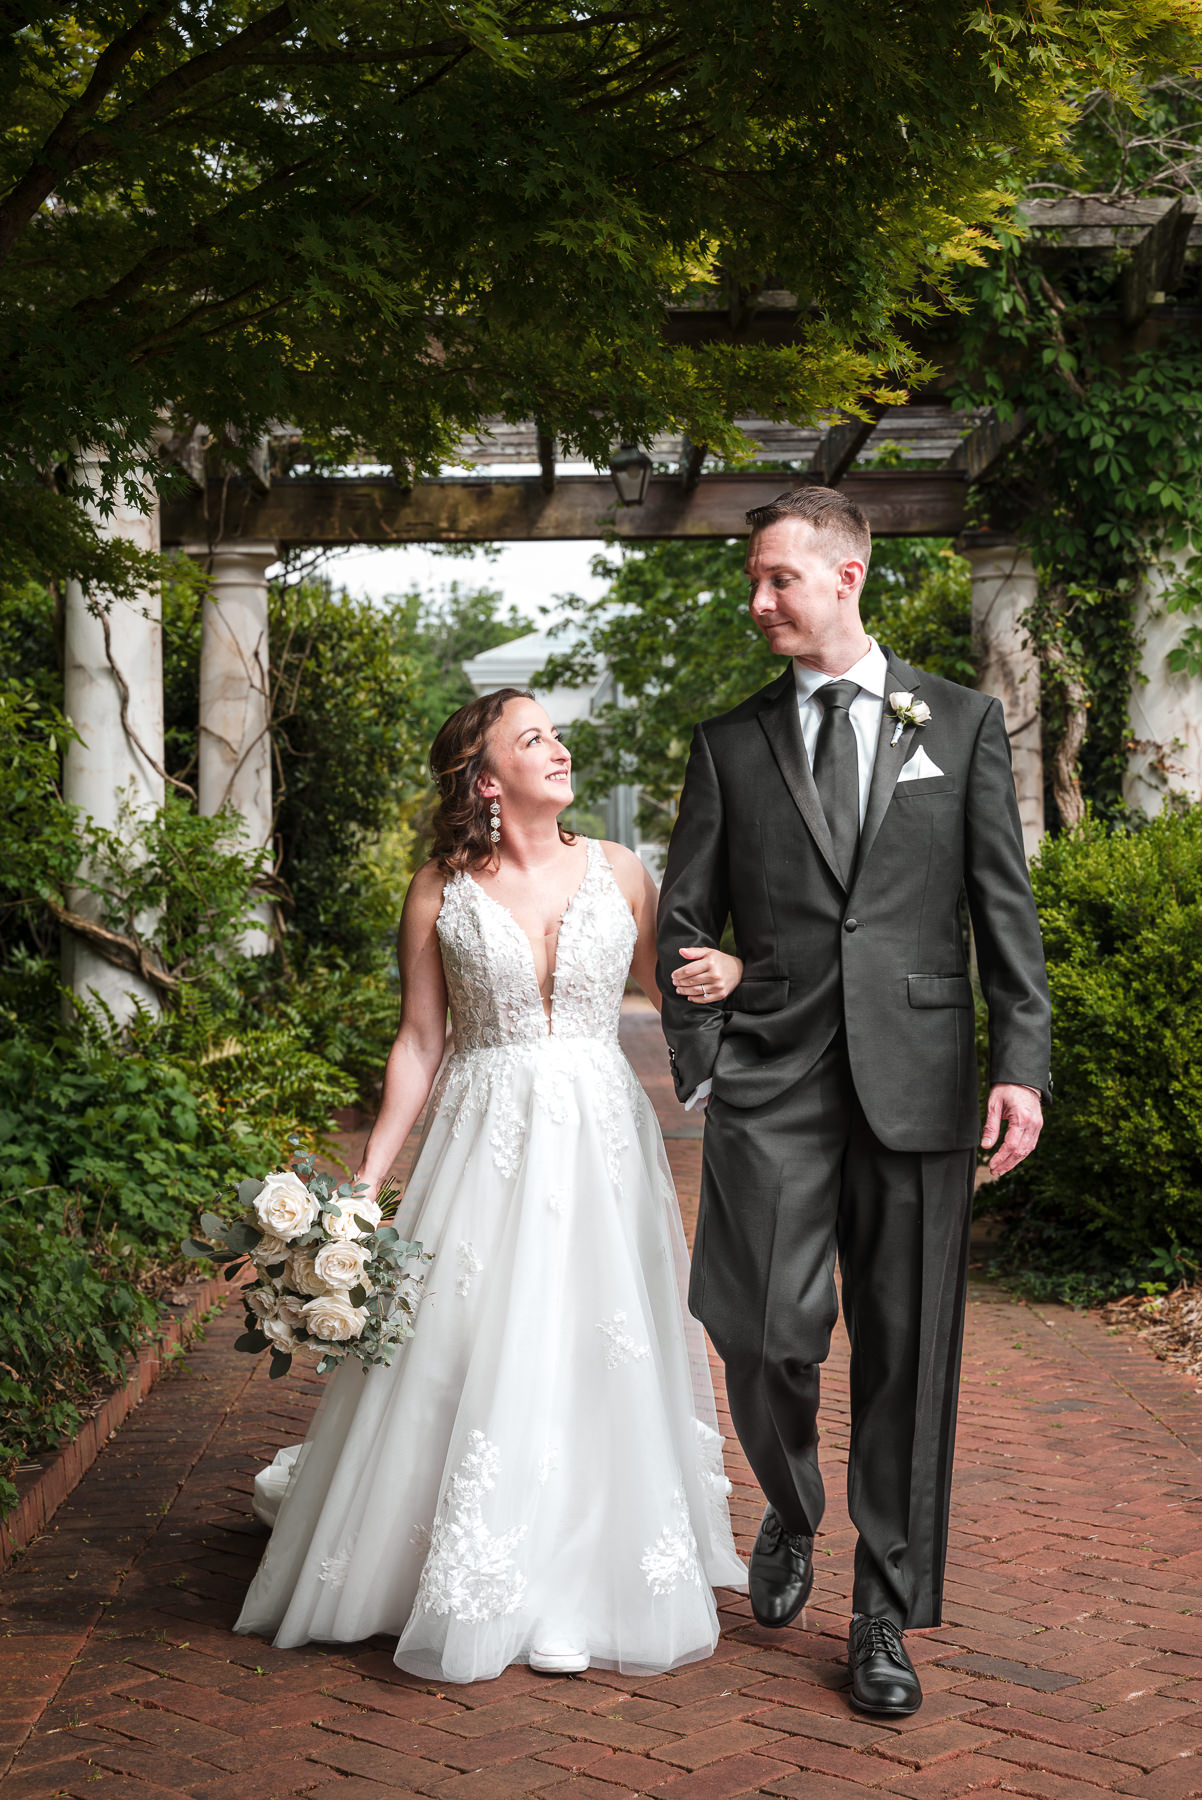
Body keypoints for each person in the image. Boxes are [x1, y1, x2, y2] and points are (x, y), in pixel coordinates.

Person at [235, 687, 747, 1683]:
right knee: (474, 1342)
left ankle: (570, 1578)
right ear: (484, 778)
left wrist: (726, 970)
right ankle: (456, 1565)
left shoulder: (622, 871)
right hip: (484, 1138)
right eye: (533, 739)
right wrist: (363, 1185)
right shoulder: (437, 888)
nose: (558, 749)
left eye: (553, 734)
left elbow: (673, 994)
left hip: (601, 1137)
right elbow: (421, 1042)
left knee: (594, 1336)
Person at [656, 485, 1051, 1718]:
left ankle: (881, 1614)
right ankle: (788, 1503)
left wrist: (1018, 1062)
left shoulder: (962, 719)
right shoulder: (727, 744)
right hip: (771, 1079)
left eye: (777, 578)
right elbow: (681, 922)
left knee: (905, 1354)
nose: (757, 601)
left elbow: (1000, 908)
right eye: (753, 581)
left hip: (921, 1079)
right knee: (761, 1326)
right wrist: (708, 1052)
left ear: (846, 576)